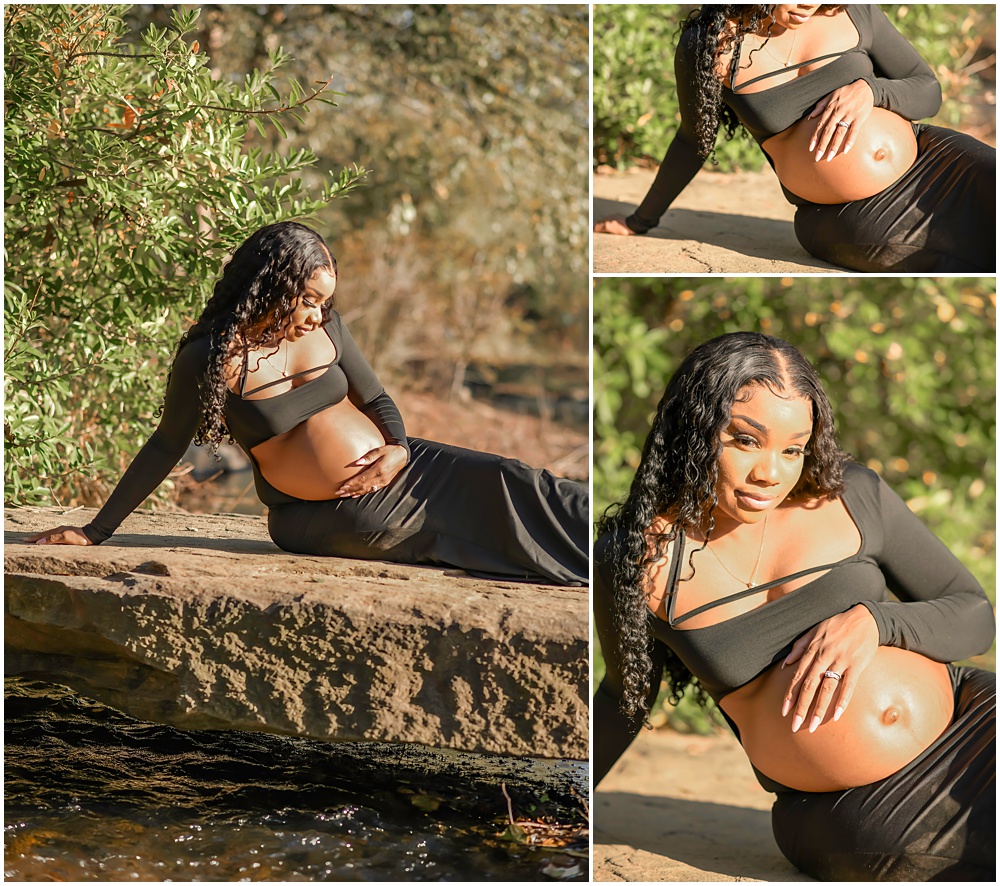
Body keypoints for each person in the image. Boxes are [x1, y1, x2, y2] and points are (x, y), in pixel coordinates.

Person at [593, 332, 995, 880]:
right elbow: (623, 697)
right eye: (744, 440)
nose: (771, 474)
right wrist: (564, 807)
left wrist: (876, 623)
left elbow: (975, 613)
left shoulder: (853, 496)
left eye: (792, 448)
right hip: (845, 810)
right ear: (691, 431)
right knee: (904, 851)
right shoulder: (638, 558)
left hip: (975, 730)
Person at [26, 221, 589, 587]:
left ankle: (620, 548)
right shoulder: (210, 358)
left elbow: (378, 397)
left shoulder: (332, 329)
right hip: (326, 514)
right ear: (271, 286)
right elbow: (166, 443)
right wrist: (97, 531)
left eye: (326, 302)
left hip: (401, 468)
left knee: (514, 480)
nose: (319, 314)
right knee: (484, 529)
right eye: (310, 300)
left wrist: (394, 447)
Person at [594, 5, 995, 272]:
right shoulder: (708, 43)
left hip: (935, 160)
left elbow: (928, 89)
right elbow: (693, 140)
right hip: (847, 213)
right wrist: (640, 220)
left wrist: (872, 91)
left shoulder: (853, 11)